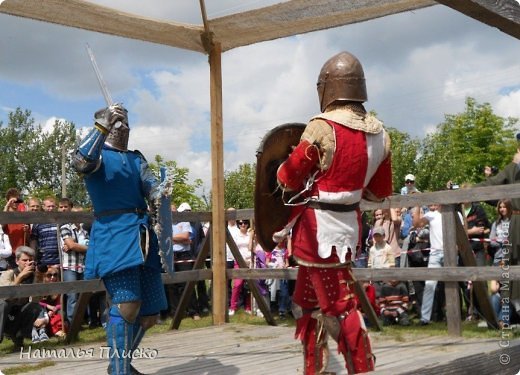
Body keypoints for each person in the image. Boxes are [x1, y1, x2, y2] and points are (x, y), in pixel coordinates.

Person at [275, 51, 392, 374]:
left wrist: (282, 166)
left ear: (327, 88)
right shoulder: (382, 134)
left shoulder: (321, 128)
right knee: (305, 303)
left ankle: (361, 369)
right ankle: (315, 368)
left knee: (340, 308)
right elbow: (379, 192)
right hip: (348, 226)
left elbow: (288, 177)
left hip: (317, 231)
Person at [72, 103, 167, 375]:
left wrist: (161, 191)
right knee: (127, 304)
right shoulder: (96, 155)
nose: (123, 126)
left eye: (126, 121)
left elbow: (151, 188)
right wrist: (102, 125)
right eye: (117, 121)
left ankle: (120, 364)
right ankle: (119, 370)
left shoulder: (137, 159)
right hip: (114, 235)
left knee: (148, 313)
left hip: (143, 237)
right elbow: (80, 162)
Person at [477, 149, 520, 318]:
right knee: (511, 273)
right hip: (515, 228)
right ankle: (511, 314)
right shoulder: (512, 170)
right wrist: (465, 188)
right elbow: (491, 189)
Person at [0, 246, 42, 349]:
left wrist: (37, 278)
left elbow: (37, 300)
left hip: (18, 314)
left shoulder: (34, 276)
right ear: (17, 261)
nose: (28, 263)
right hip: (4, 315)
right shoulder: (8, 274)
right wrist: (20, 277)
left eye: (31, 260)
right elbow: (5, 297)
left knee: (35, 307)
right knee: (3, 304)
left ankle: (19, 338)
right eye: (24, 260)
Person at [413, 204, 445, 325]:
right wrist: (417, 205)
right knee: (430, 285)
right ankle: (425, 318)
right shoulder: (432, 215)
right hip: (435, 254)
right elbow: (417, 224)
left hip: (450, 253)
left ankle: (452, 313)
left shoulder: (455, 214)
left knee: (453, 285)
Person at [58, 197, 87, 325]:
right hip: (69, 265)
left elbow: (73, 246)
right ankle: (73, 322)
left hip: (83, 265)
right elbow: (71, 245)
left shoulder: (84, 229)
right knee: (72, 295)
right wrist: (88, 248)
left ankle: (82, 320)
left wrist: (74, 246)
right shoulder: (65, 227)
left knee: (84, 294)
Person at [170, 203, 200, 320]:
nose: (173, 213)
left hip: (184, 255)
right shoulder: (165, 223)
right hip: (170, 255)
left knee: (187, 283)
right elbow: (162, 237)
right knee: (172, 285)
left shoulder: (184, 221)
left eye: (174, 210)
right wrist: (181, 239)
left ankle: (194, 311)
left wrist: (170, 237)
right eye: (170, 211)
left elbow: (186, 236)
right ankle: (177, 313)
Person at [228, 219, 253, 315]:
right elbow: (233, 248)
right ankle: (232, 307)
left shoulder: (250, 234)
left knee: (249, 285)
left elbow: (252, 248)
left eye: (245, 222)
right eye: (241, 223)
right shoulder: (235, 235)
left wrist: (251, 236)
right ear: (238, 224)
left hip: (249, 262)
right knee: (237, 285)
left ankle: (248, 306)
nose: (243, 224)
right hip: (238, 261)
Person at [30, 196, 60, 273]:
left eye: (53, 206)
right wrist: (33, 257)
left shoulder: (60, 221)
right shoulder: (38, 222)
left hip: (59, 260)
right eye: (48, 206)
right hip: (43, 260)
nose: (51, 208)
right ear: (43, 207)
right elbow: (33, 241)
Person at [2, 188, 29, 269]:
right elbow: (1, 225)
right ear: (7, 201)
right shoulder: (5, 215)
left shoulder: (23, 216)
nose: (15, 203)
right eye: (12, 201)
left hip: (22, 252)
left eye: (17, 200)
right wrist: (7, 206)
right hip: (9, 254)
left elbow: (28, 238)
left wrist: (27, 231)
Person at [39, 265, 66, 338]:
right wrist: (48, 307)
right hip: (43, 309)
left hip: (55, 309)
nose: (52, 277)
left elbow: (60, 303)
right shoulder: (40, 287)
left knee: (61, 313)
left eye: (55, 275)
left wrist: (53, 310)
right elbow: (38, 302)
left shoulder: (59, 287)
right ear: (44, 276)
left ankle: (59, 331)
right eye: (49, 275)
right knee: (43, 315)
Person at [488, 199, 512, 266]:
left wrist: (498, 239)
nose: (502, 209)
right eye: (500, 207)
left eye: (504, 207)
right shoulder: (495, 224)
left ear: (509, 208)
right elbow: (492, 242)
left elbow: (514, 240)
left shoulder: (514, 222)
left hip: (512, 258)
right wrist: (505, 240)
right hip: (498, 258)